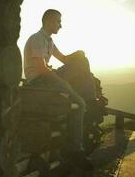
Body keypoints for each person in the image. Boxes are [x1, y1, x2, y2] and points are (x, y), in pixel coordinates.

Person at [23, 9, 94, 170]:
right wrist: (64, 84)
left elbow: (64, 59)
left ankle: (88, 96)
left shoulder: (48, 41)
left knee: (82, 60)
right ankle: (75, 151)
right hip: (38, 83)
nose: (60, 25)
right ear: (49, 21)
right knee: (81, 104)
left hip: (46, 78)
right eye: (58, 21)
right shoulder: (37, 39)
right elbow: (41, 69)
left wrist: (78, 54)